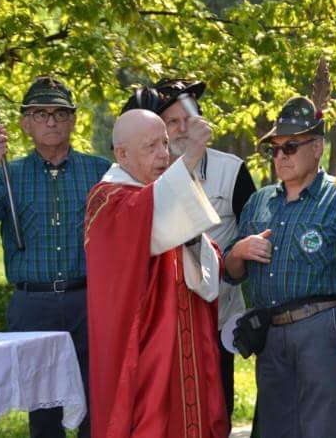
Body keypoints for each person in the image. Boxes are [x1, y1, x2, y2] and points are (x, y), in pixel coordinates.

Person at [0, 75, 108, 438]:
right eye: (40, 114)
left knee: (97, 404)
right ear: (25, 123)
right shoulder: (7, 174)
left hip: (90, 301)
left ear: (74, 120)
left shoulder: (101, 171)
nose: (51, 121)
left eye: (60, 113)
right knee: (43, 412)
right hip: (32, 305)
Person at [223, 96, 336, 438]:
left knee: (321, 429)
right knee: (275, 429)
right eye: (273, 149)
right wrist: (238, 252)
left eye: (290, 147)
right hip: (270, 334)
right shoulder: (259, 201)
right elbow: (232, 272)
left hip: (322, 328)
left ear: (317, 148)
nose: (280, 157)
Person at [85, 109, 229, 438]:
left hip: (185, 343)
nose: (164, 154)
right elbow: (148, 219)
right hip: (146, 350)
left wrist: (194, 238)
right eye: (151, 147)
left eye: (165, 143)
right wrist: (189, 160)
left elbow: (206, 260)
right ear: (122, 154)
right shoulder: (106, 200)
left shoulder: (164, 192)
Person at [122, 78, 256, 422]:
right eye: (172, 122)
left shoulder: (232, 170)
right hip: (161, 323)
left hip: (216, 318)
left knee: (215, 412)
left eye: (189, 119)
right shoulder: (144, 173)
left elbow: (254, 236)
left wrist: (235, 262)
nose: (182, 129)